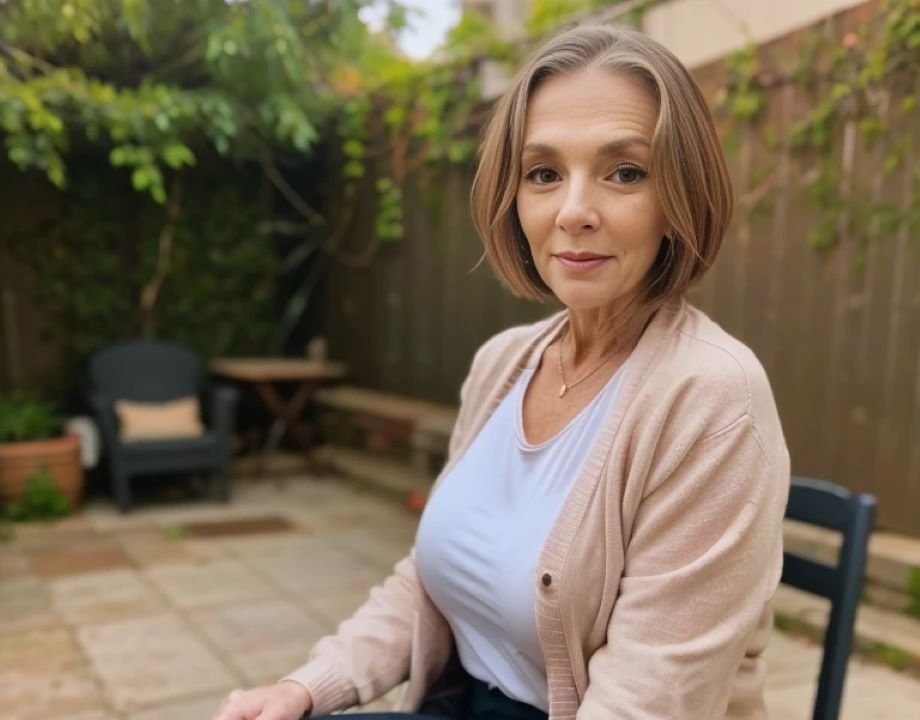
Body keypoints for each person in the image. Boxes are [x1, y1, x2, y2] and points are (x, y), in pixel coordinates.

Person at [212, 23, 789, 720]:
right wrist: (308, 686)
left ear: (679, 199)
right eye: (544, 174)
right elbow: (431, 577)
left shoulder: (712, 398)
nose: (574, 212)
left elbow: (648, 698)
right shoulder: (503, 364)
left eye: (625, 172)